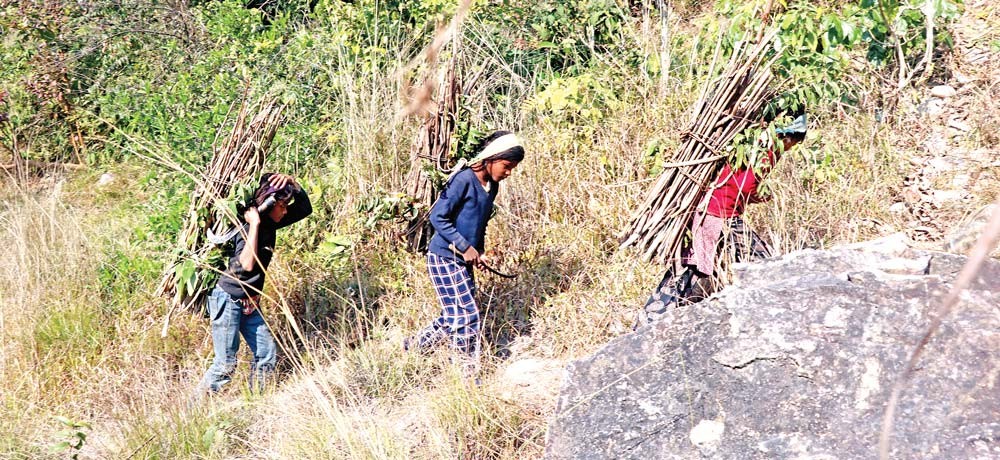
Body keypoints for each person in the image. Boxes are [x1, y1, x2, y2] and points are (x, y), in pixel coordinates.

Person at [636, 112, 808, 327]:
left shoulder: (751, 140)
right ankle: (781, 315)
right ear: (789, 137)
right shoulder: (769, 148)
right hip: (721, 215)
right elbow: (746, 185)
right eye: (794, 142)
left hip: (704, 211)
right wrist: (762, 195)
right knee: (763, 264)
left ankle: (650, 320)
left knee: (691, 269)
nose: (791, 148)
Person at [404, 131, 525, 374]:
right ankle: (466, 374)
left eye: (513, 168)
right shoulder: (463, 180)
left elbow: (479, 223)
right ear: (491, 157)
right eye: (507, 165)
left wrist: (477, 251)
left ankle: (414, 347)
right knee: (467, 314)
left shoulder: (492, 187)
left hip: (462, 260)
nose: (509, 172)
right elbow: (438, 217)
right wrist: (464, 246)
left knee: (453, 315)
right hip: (443, 257)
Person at [199, 173, 312, 393]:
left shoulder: (272, 220)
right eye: (281, 205)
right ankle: (191, 412)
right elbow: (247, 264)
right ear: (268, 205)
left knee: (266, 354)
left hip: (248, 300)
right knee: (225, 364)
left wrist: (291, 182)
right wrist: (254, 225)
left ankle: (256, 400)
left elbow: (305, 208)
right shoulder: (247, 225)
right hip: (228, 298)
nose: (285, 210)